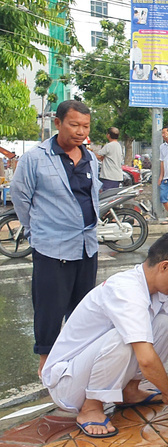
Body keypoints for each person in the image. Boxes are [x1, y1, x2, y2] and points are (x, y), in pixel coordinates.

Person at [40, 233, 168, 438]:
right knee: (126, 339)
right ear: (165, 266)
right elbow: (147, 360)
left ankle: (129, 391)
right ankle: (90, 407)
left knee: (167, 325)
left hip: (88, 370)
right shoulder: (126, 291)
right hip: (68, 383)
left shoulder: (159, 295)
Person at [11, 100, 100, 375]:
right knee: (50, 308)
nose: (80, 131)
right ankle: (46, 367)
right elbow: (20, 196)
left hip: (86, 246)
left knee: (82, 308)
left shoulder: (90, 158)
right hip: (52, 247)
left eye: (85, 126)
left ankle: (75, 363)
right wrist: (37, 229)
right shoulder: (35, 158)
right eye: (74, 125)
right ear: (58, 123)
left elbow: (91, 196)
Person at [96, 127, 124, 191]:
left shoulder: (109, 145)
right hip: (117, 176)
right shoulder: (119, 146)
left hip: (109, 177)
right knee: (113, 196)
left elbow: (98, 156)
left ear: (108, 135)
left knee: (107, 196)